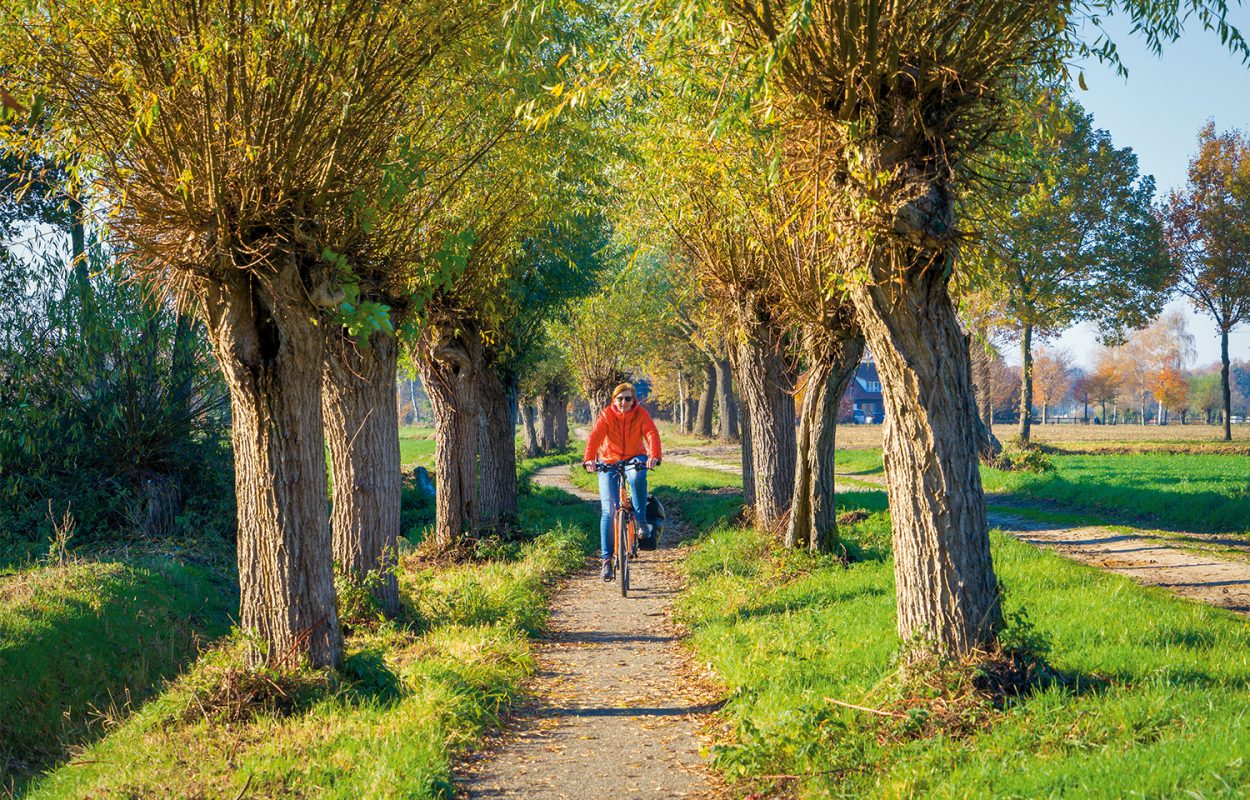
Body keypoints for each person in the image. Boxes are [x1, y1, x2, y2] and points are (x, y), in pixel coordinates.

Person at [583, 382, 662, 581]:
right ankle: (606, 561)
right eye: (620, 399)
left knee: (637, 476)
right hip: (609, 460)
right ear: (614, 399)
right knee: (609, 511)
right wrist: (589, 460)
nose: (624, 402)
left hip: (635, 457)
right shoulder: (606, 415)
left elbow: (651, 433)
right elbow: (594, 437)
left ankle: (641, 521)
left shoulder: (641, 414)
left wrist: (654, 456)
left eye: (628, 399)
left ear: (633, 400)